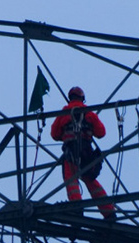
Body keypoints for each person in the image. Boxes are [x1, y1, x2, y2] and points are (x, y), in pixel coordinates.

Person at [50, 86, 116, 220]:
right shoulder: (89, 113)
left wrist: (65, 133)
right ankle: (109, 212)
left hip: (71, 153)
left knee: (71, 179)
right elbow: (101, 133)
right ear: (82, 98)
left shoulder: (64, 113)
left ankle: (76, 207)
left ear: (70, 98)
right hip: (87, 153)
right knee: (90, 180)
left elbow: (54, 134)